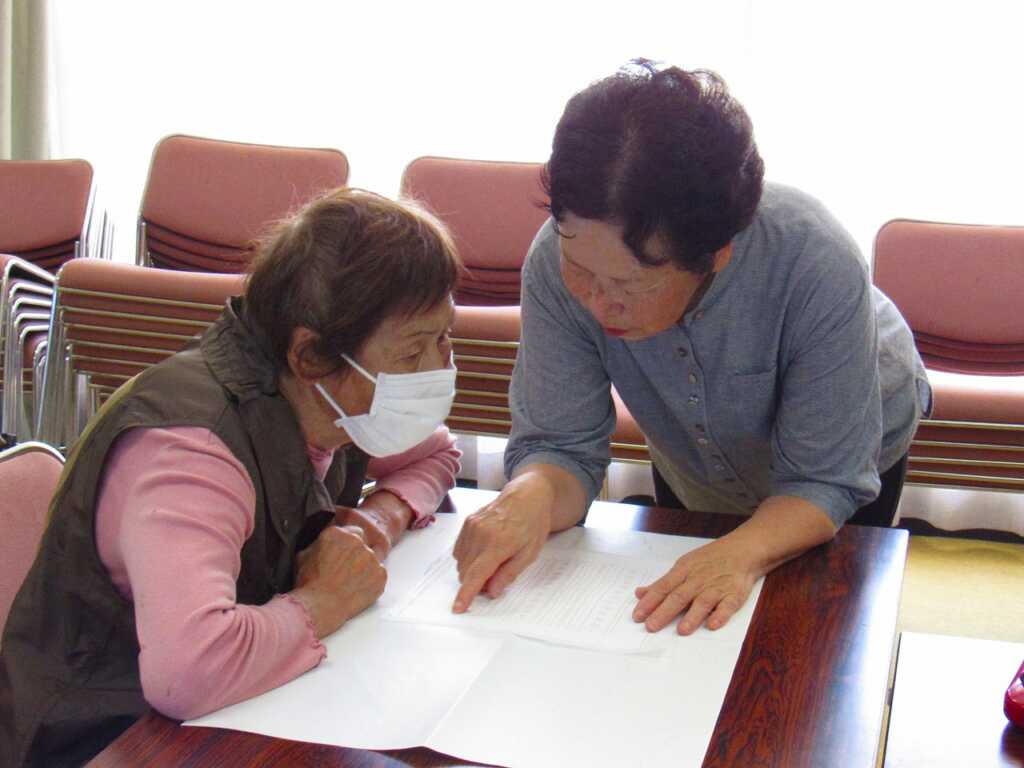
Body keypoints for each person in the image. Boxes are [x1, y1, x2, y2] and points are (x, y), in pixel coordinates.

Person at [452, 60, 931, 638]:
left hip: (846, 443)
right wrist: (530, 495)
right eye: (581, 271)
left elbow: (824, 481)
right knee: (690, 620)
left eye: (630, 286)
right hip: (691, 447)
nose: (600, 303)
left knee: (817, 628)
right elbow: (561, 446)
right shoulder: (554, 261)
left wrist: (741, 553)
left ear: (717, 254)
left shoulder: (814, 258)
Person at [0, 188, 463, 767]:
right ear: (311, 356)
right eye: (413, 353)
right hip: (105, 738)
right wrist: (327, 598)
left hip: (239, 707)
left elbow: (437, 454)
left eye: (445, 336)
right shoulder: (193, 449)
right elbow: (189, 671)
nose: (440, 367)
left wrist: (379, 520)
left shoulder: (338, 409)